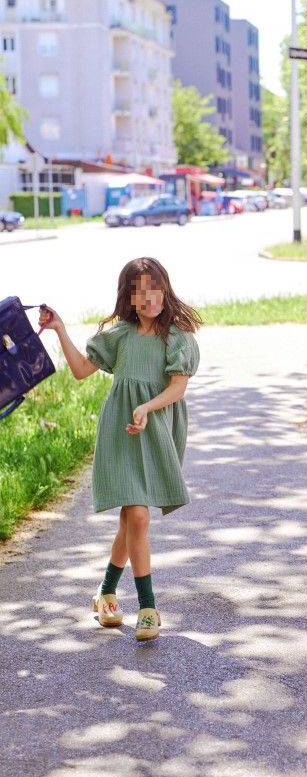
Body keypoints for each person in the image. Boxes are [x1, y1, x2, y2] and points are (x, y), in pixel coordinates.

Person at [39, 257, 200, 642]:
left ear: (165, 288)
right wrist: (60, 328)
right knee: (138, 517)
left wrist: (146, 407)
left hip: (157, 428)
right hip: (121, 431)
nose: (148, 298)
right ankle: (148, 607)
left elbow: (178, 388)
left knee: (132, 521)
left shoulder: (178, 338)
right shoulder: (120, 336)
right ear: (128, 297)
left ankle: (106, 591)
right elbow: (80, 369)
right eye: (139, 290)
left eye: (154, 287)